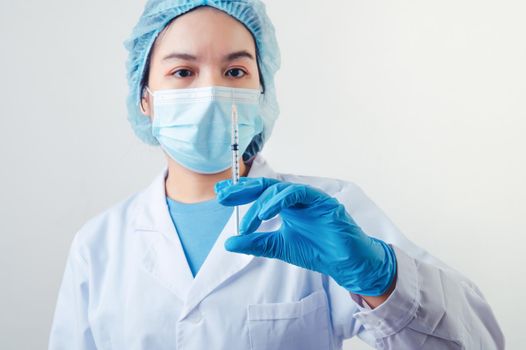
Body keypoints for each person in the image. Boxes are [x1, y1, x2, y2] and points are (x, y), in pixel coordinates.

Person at [48, 1, 505, 349]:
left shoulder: (325, 209)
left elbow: (480, 340)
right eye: (183, 71)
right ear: (145, 99)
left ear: (261, 92)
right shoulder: (99, 245)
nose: (211, 93)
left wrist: (382, 279)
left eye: (235, 70)